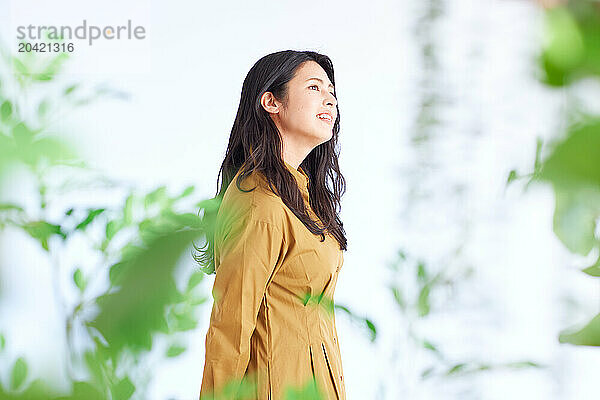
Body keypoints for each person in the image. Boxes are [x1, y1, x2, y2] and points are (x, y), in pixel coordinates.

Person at [194, 50, 347, 400]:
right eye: (314, 87)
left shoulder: (301, 193)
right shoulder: (260, 202)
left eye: (331, 92)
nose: (329, 99)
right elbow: (229, 327)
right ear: (271, 101)